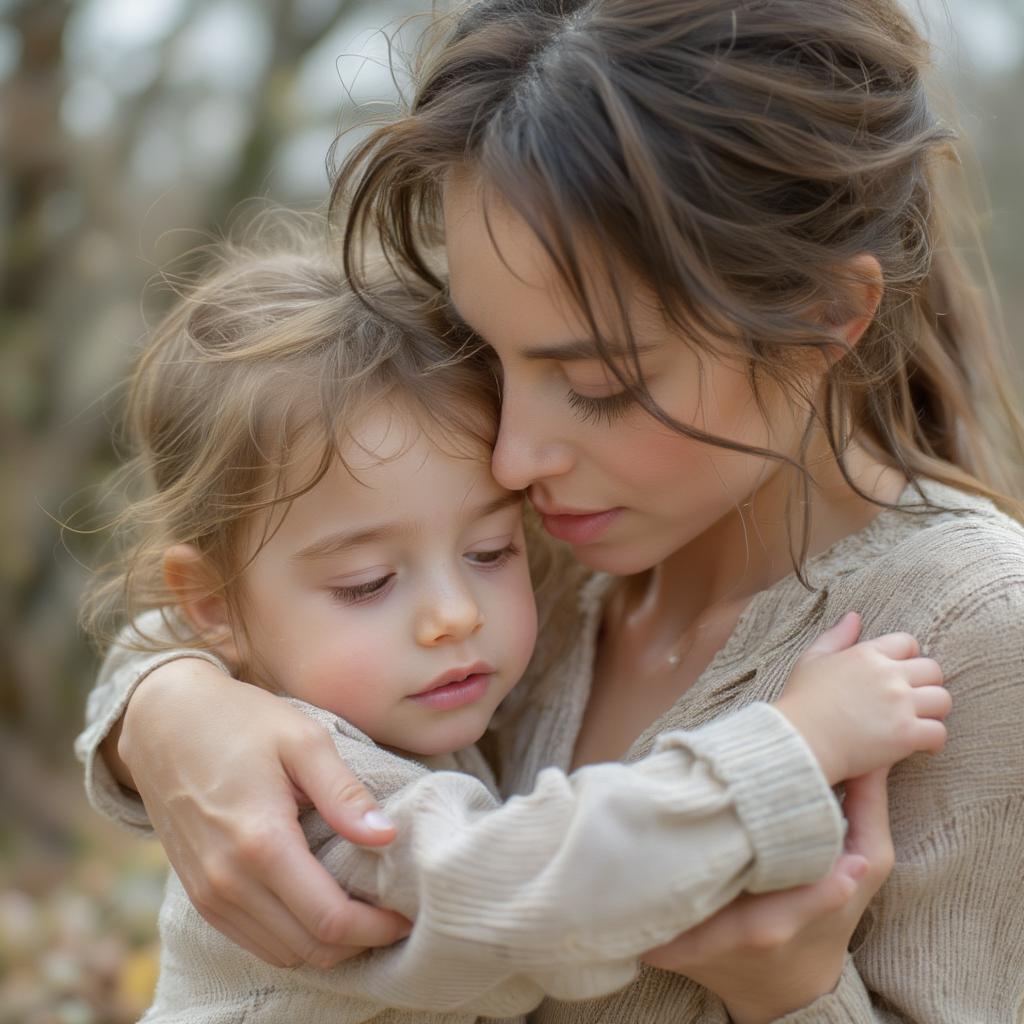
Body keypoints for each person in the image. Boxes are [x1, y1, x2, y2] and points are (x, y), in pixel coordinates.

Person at [79, 0, 1024, 1020]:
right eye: (490, 358)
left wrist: (790, 991)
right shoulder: (524, 538)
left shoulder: (974, 631)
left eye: (601, 381)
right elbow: (245, 591)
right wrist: (169, 707)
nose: (511, 455)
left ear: (826, 318)